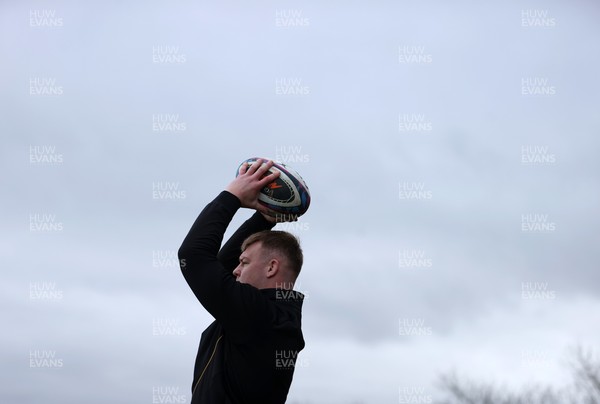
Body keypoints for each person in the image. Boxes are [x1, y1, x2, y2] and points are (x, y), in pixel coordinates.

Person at [178, 159, 306, 404]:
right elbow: (221, 264)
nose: (235, 271)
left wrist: (232, 196)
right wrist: (265, 219)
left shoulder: (260, 316)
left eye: (245, 263)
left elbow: (193, 256)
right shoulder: (272, 315)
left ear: (271, 268)